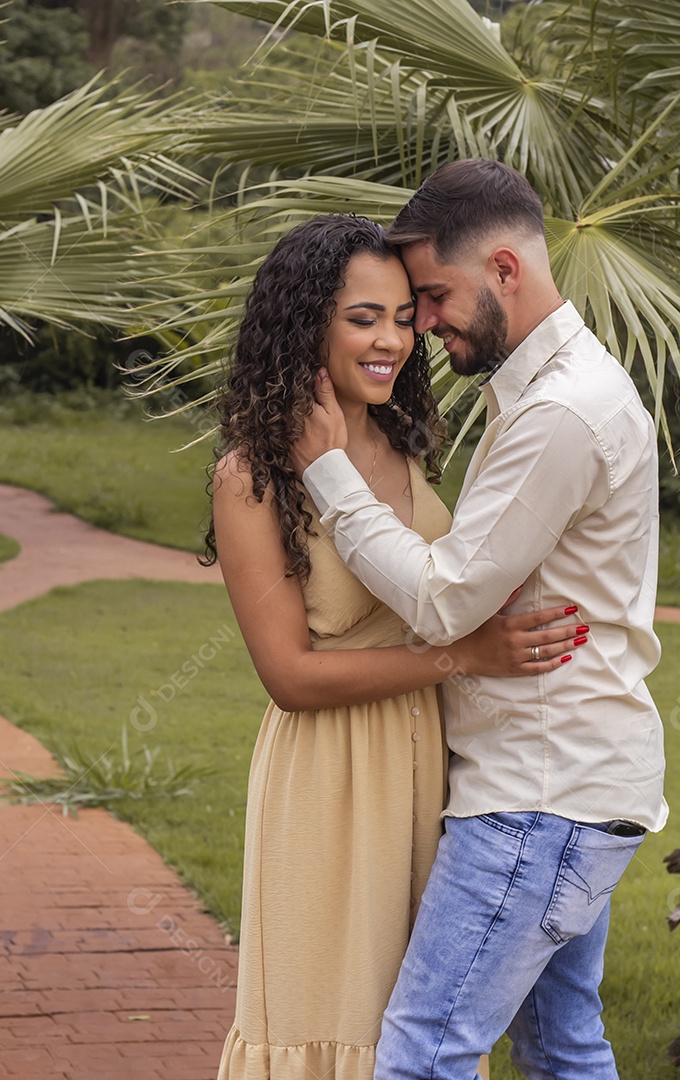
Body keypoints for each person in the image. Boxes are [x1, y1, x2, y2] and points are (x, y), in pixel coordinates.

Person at [291, 160, 668, 1080]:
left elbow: (442, 599)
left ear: (504, 269)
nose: (419, 324)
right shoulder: (553, 391)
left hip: (538, 796)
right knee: (564, 1050)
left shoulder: (561, 413)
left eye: (430, 295)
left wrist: (327, 472)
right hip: (577, 785)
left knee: (421, 1055)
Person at [204, 213, 586, 1080]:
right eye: (362, 318)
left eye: (403, 316)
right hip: (329, 779)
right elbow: (290, 676)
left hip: (433, 771)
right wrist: (464, 657)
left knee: (422, 1030)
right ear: (307, 327)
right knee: (333, 1013)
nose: (393, 341)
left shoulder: (402, 442)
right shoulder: (252, 475)